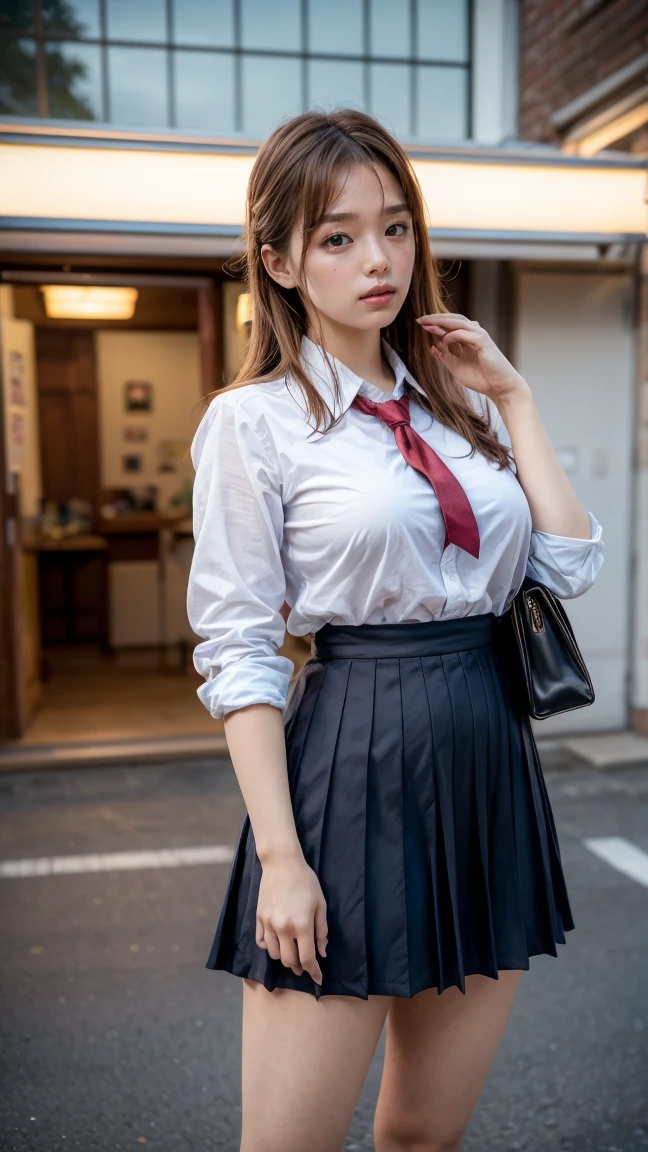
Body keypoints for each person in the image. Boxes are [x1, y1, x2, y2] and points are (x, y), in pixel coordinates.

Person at [187, 109, 604, 1152]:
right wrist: (281, 856)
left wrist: (514, 399)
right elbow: (238, 646)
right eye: (337, 237)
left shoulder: (458, 401)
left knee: (424, 1135)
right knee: (289, 1145)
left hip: (486, 760)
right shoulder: (254, 423)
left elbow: (566, 569)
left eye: (396, 227)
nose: (379, 259)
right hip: (351, 764)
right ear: (279, 261)